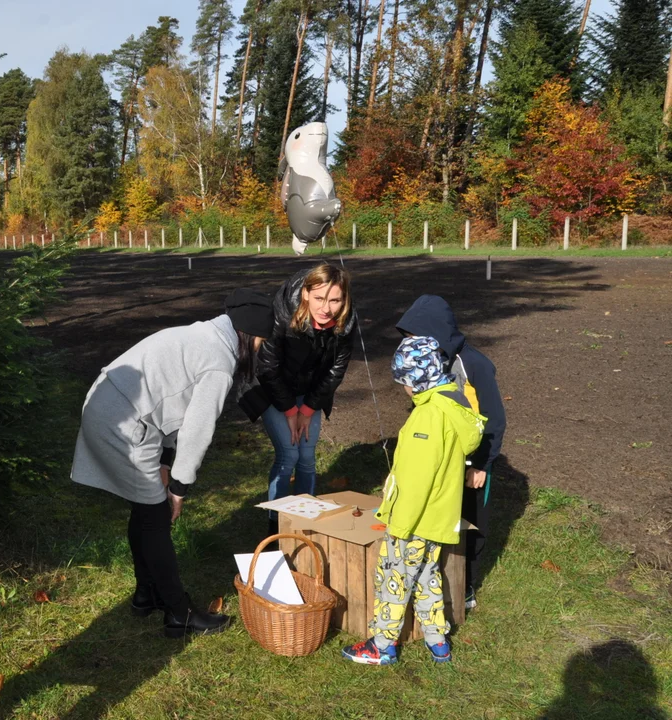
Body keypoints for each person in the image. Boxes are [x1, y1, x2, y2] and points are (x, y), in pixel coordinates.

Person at [71, 289, 275, 638]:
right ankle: (179, 614)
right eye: (260, 343)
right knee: (156, 519)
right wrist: (178, 488)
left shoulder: (201, 333)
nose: (259, 350)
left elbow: (168, 399)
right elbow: (197, 429)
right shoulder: (219, 362)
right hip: (122, 422)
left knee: (145, 510)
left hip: (108, 405)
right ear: (250, 336)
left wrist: (165, 462)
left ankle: (145, 595)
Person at [342, 337, 485, 665]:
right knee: (426, 575)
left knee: (393, 579)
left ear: (413, 380)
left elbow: (419, 478)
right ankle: (438, 642)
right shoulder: (453, 404)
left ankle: (382, 645)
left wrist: (400, 524)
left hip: (415, 519)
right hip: (437, 517)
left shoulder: (427, 417)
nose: (404, 388)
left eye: (403, 380)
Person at [396, 295, 507, 609]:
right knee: (439, 517)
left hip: (473, 461)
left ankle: (466, 585)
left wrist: (482, 463)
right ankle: (435, 578)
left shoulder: (476, 365)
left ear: (436, 333)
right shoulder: (428, 362)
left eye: (415, 337)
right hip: (440, 460)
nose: (410, 344)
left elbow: (495, 418)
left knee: (472, 523)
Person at [250, 263, 354, 531]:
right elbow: (268, 368)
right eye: (319, 298)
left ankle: (307, 518)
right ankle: (278, 524)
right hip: (274, 391)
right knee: (288, 455)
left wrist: (307, 409)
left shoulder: (345, 322)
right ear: (306, 294)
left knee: (307, 456)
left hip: (310, 394)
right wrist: (290, 410)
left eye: (335, 300)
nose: (326, 308)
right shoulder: (281, 314)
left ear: (344, 300)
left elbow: (335, 370)